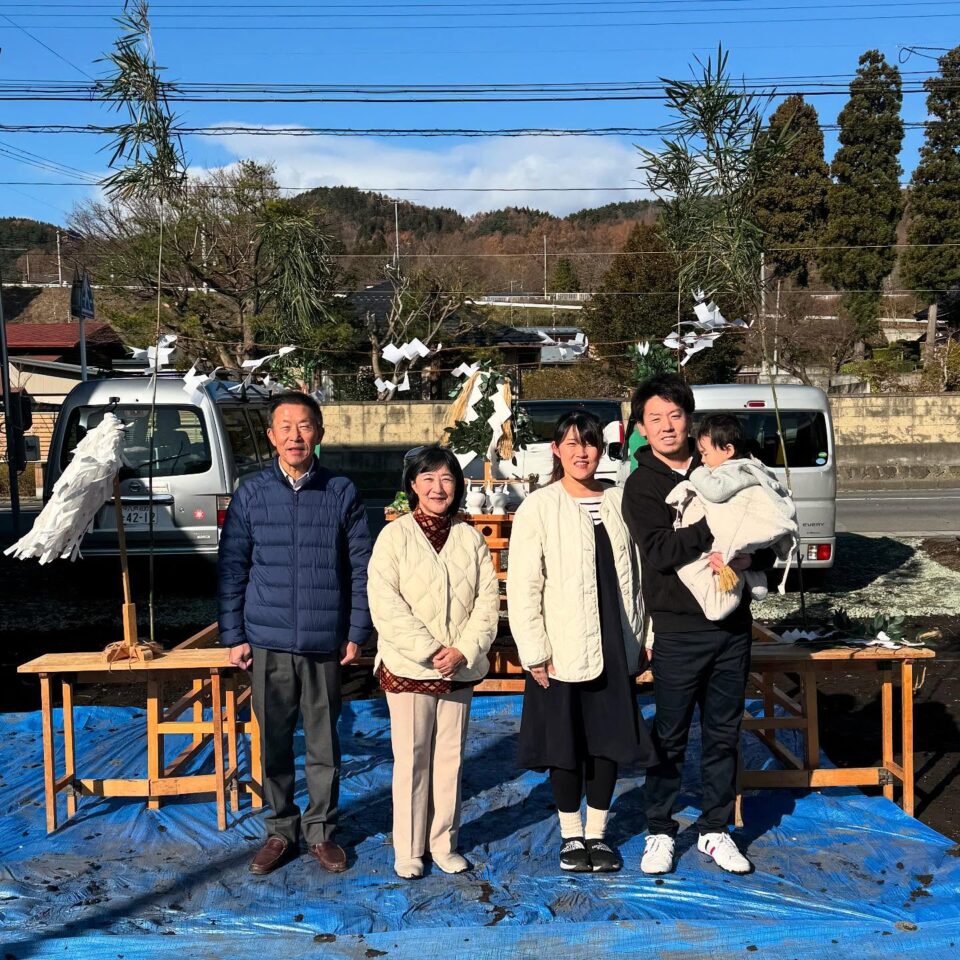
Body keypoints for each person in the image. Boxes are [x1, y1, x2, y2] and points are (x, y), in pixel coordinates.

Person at [622, 375, 774, 877]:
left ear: (689, 419)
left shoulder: (727, 466)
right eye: (655, 418)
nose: (667, 427)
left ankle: (714, 829)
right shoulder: (642, 485)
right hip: (679, 629)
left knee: (723, 732)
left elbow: (764, 529)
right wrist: (715, 528)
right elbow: (661, 551)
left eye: (675, 416)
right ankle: (660, 830)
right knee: (669, 733)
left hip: (732, 625)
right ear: (641, 427)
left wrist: (756, 551)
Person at [218, 391, 372, 877]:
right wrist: (233, 634)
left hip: (325, 641)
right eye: (285, 427)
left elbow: (361, 567)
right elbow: (233, 567)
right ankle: (280, 828)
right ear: (271, 437)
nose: (294, 436)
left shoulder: (341, 491)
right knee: (276, 743)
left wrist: (356, 630)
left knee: (324, 743)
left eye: (304, 426)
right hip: (266, 640)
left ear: (319, 434)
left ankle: (322, 830)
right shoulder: (252, 492)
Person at [508, 411, 656, 874]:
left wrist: (644, 635)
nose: (581, 452)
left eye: (589, 443)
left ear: (601, 449)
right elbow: (524, 584)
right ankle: (571, 836)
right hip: (562, 644)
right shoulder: (540, 506)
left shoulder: (617, 501)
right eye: (571, 444)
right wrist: (534, 649)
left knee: (608, 742)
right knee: (565, 743)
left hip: (615, 641)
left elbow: (640, 575)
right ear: (556, 450)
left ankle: (598, 834)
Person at [368, 446, 500, 880]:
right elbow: (386, 603)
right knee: (411, 758)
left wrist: (463, 649)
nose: (438, 487)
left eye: (446, 478)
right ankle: (408, 849)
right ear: (412, 486)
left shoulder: (470, 537)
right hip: (409, 668)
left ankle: (443, 842)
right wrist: (429, 650)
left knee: (450, 759)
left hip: (459, 668)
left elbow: (486, 601)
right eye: (428, 478)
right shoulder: (395, 536)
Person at [666, 413, 799, 621]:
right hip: (750, 540)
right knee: (744, 551)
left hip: (728, 545)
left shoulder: (730, 471)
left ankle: (736, 587)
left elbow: (715, 491)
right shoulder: (756, 469)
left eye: (705, 453)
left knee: (701, 568)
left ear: (728, 450)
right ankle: (754, 580)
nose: (703, 460)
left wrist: (695, 473)